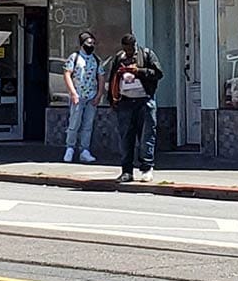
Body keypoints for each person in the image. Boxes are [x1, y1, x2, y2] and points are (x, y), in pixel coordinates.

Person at [108, 33, 164, 182]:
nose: (128, 52)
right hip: (125, 102)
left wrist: (138, 71)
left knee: (146, 136)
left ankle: (146, 168)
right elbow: (112, 77)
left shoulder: (147, 55)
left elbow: (158, 73)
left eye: (130, 49)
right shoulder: (119, 58)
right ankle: (127, 171)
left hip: (144, 101)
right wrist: (112, 100)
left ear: (135, 46)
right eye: (126, 49)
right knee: (126, 138)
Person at [62, 31, 102, 163]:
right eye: (89, 43)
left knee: (88, 124)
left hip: (91, 96)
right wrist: (72, 92)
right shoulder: (75, 57)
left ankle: (85, 150)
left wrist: (99, 94)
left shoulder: (96, 59)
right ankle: (70, 148)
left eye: (93, 43)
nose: (91, 45)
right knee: (74, 123)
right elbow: (67, 74)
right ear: (82, 43)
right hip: (78, 96)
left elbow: (101, 77)